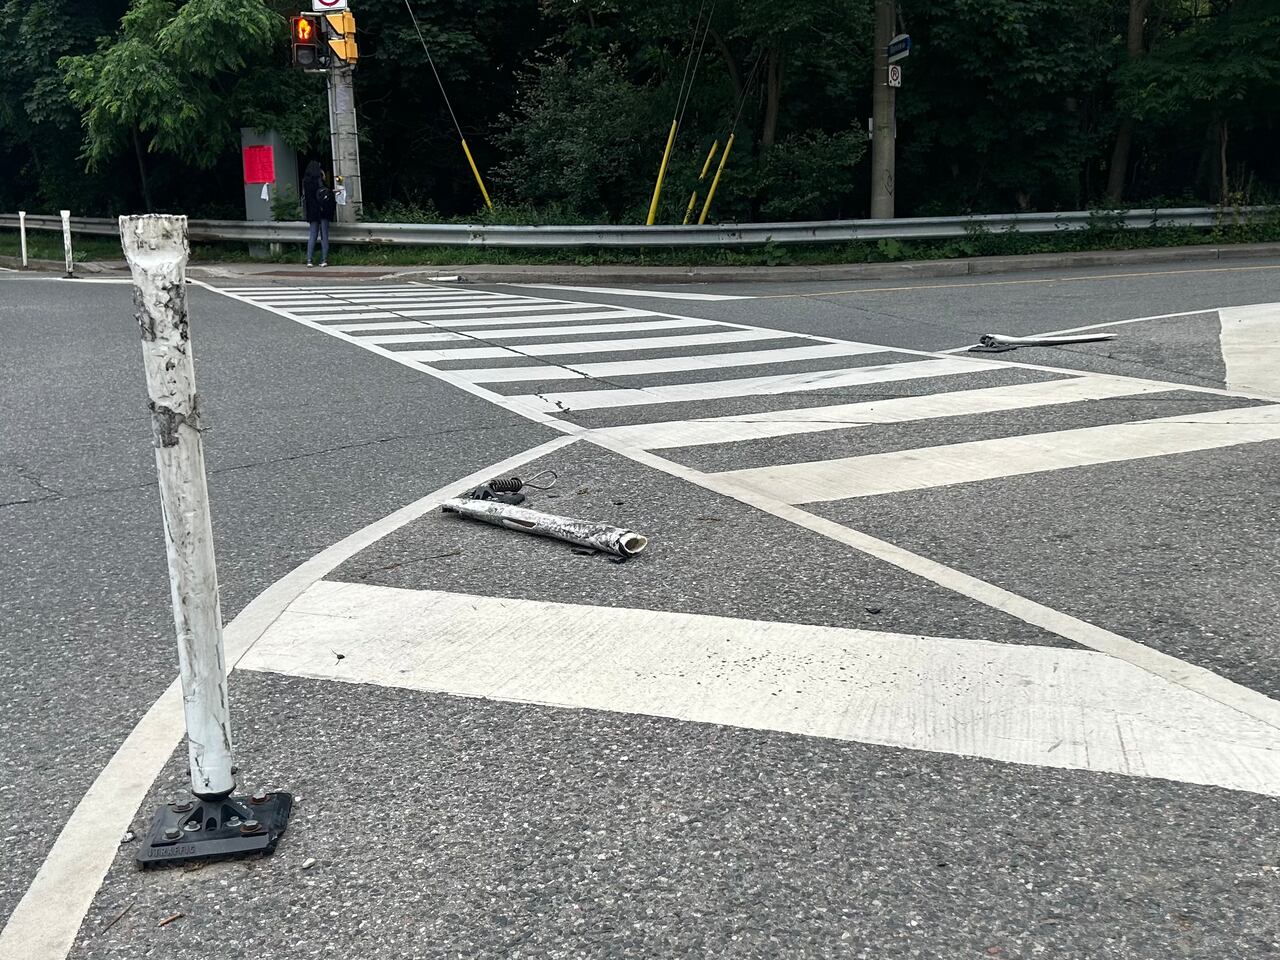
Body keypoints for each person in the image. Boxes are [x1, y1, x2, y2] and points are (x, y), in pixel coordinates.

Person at [302, 161, 336, 267]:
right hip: (323, 210)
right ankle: (324, 260)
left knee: (312, 235)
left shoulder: (305, 181)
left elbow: (306, 197)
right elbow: (326, 193)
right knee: (324, 235)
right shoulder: (320, 180)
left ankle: (309, 260)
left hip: (312, 211)